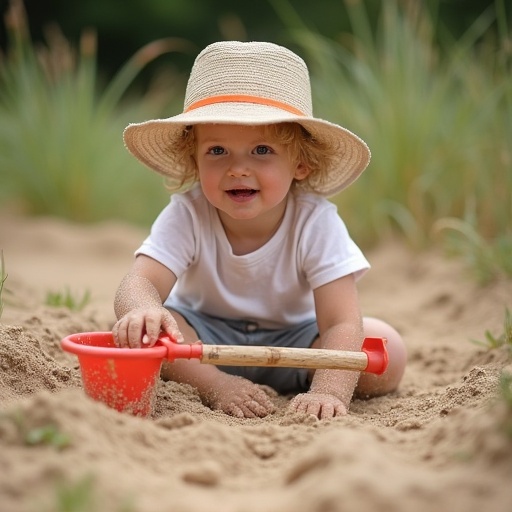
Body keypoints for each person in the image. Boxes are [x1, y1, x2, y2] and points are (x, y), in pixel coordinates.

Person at [112, 41, 407, 420]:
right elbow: (137, 283)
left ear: (300, 163)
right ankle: (214, 383)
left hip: (298, 345)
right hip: (203, 343)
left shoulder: (315, 222)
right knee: (140, 331)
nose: (238, 168)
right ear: (194, 160)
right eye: (217, 151)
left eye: (262, 150)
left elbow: (340, 320)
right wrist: (144, 310)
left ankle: (307, 382)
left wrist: (329, 391)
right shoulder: (188, 212)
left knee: (388, 349)